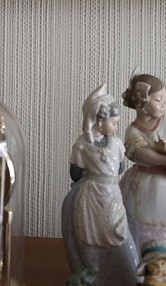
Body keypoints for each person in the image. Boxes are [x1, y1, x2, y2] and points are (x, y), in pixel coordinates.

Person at [60, 84, 139, 286]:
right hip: (90, 198)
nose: (115, 128)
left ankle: (127, 274)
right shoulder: (82, 145)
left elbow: (120, 168)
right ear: (98, 119)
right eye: (113, 123)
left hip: (111, 196)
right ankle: (91, 271)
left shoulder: (116, 144)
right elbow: (75, 174)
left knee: (119, 233)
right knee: (89, 235)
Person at [118, 73, 166, 282]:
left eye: (164, 100)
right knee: (138, 223)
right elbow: (138, 153)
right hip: (143, 183)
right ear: (142, 103)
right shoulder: (133, 130)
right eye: (158, 100)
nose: (163, 105)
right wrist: (164, 160)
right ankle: (141, 266)